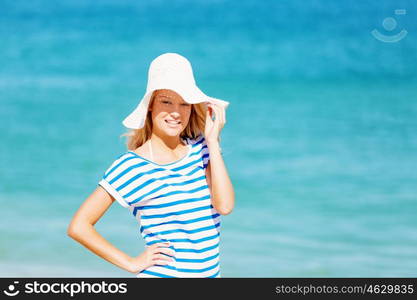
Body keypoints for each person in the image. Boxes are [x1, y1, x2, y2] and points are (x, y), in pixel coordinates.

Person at [67, 53, 235, 278]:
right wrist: (131, 263)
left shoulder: (202, 150)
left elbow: (224, 206)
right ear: (150, 105)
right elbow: (79, 226)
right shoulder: (131, 167)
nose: (176, 112)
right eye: (166, 101)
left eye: (184, 103)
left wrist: (213, 142)